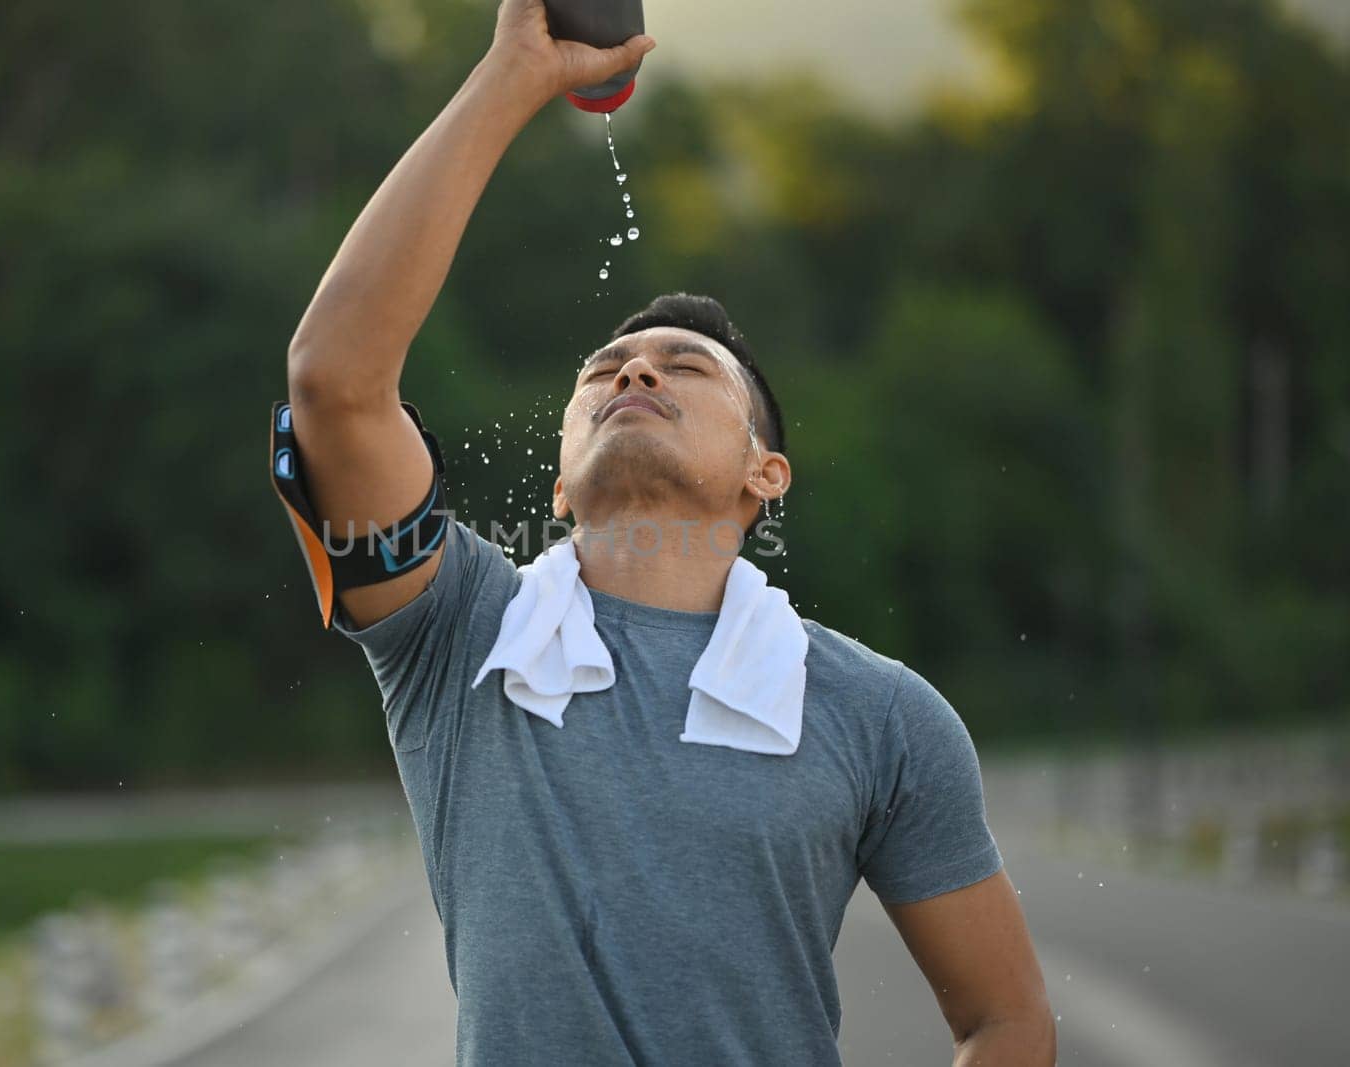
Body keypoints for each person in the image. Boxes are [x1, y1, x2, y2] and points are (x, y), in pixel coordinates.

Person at [281, 1, 1055, 1063]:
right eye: (603, 371)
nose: (635, 370)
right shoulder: (458, 634)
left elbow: (1006, 1022)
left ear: (761, 474)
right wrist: (511, 77)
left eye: (684, 367)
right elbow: (334, 382)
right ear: (557, 483)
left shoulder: (881, 716)